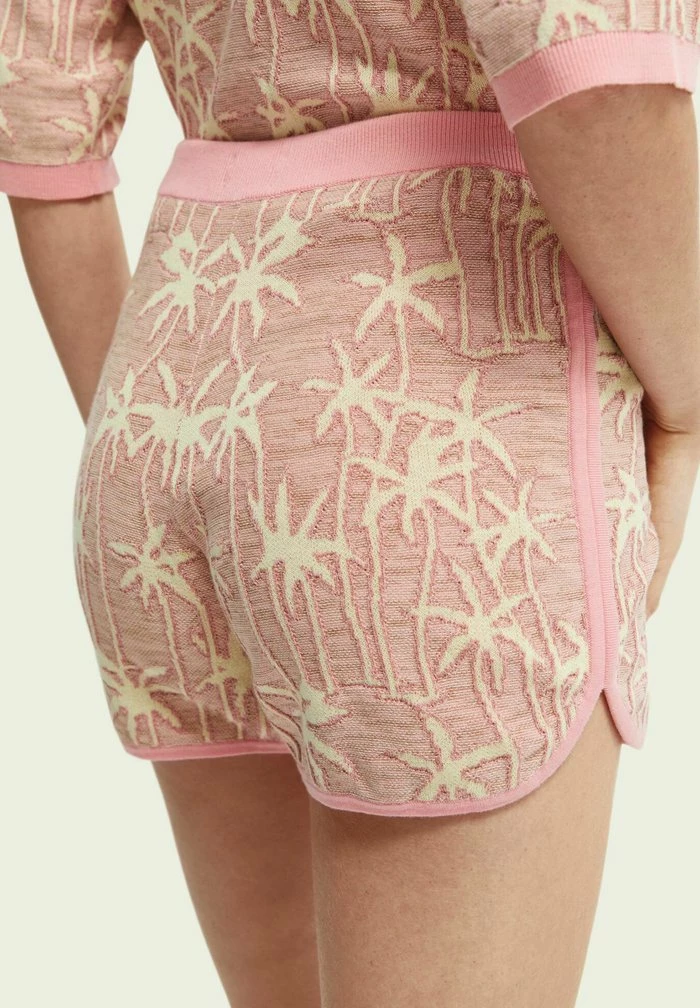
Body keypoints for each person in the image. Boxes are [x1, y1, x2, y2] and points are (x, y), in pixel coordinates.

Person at [2, 2, 699, 1005]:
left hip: (173, 377)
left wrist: (149, 421)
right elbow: (591, 74)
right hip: (444, 400)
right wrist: (689, 398)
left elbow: (38, 114)